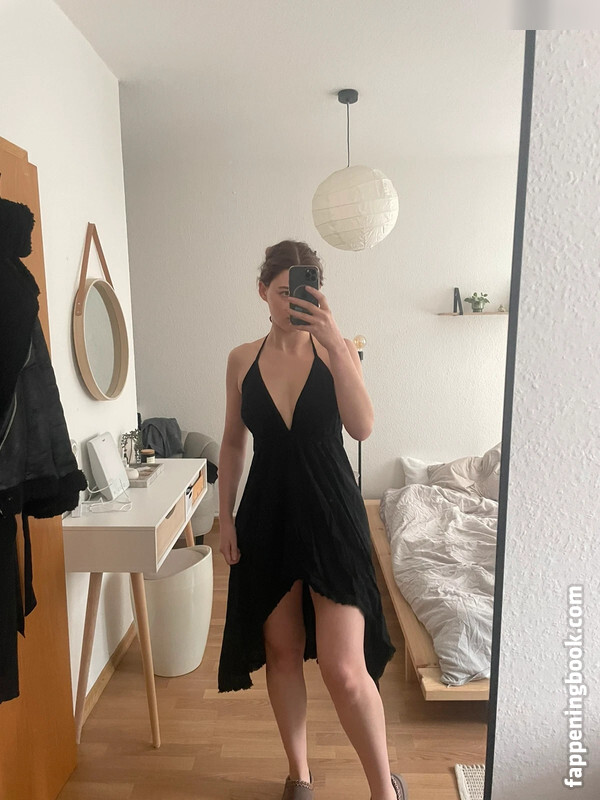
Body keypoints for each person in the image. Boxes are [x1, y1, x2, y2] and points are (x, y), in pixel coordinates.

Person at [217, 240, 407, 800]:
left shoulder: (337, 349)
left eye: (302, 292)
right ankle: (299, 775)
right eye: (282, 292)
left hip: (331, 512)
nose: (291, 303)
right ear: (262, 291)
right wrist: (224, 518)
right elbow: (233, 442)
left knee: (344, 668)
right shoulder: (240, 359)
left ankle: (384, 789)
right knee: (281, 654)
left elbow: (362, 427)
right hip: (266, 514)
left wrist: (334, 341)